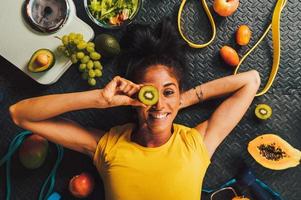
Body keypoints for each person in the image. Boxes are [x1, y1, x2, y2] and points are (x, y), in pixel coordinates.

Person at [9, 19, 260, 200]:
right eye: (149, 92)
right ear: (135, 96)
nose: (158, 103)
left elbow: (251, 80)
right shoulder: (108, 145)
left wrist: (179, 101)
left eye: (168, 91)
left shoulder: (196, 143)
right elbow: (20, 114)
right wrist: (100, 99)